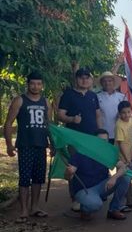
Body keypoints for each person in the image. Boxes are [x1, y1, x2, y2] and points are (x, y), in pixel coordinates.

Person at [4, 72, 52, 222]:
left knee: (38, 178)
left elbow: (49, 125)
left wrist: (53, 144)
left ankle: (35, 207)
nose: (35, 86)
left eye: (38, 84)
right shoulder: (20, 100)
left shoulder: (46, 102)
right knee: (24, 178)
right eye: (32, 84)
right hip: (25, 145)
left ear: (42, 85)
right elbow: (8, 123)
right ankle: (24, 211)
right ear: (28, 84)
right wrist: (9, 145)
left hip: (41, 145)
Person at [66, 129, 130, 221]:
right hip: (84, 189)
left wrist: (114, 178)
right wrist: (69, 172)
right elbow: (68, 177)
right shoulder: (81, 153)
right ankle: (85, 210)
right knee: (95, 204)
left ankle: (114, 209)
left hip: (102, 186)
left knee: (125, 178)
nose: (103, 143)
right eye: (100, 140)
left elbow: (123, 167)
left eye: (105, 141)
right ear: (93, 140)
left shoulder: (108, 153)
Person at [57, 67, 102, 135]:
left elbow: (98, 116)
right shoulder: (68, 95)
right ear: (76, 79)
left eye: (87, 78)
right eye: (81, 78)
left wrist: (101, 132)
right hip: (74, 136)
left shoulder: (93, 95)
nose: (84, 81)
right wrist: (72, 119)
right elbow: (60, 115)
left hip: (93, 136)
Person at [115, 100, 132, 209]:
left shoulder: (130, 120)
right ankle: (119, 204)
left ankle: (130, 200)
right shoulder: (119, 125)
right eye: (123, 113)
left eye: (128, 112)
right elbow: (121, 143)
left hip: (130, 156)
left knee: (129, 179)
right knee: (123, 181)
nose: (126, 115)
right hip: (123, 158)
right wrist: (127, 159)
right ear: (119, 113)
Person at [96, 71, 125, 143]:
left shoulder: (121, 97)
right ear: (101, 83)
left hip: (119, 133)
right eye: (104, 81)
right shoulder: (96, 97)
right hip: (103, 134)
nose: (107, 83)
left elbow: (128, 115)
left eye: (109, 81)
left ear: (113, 82)